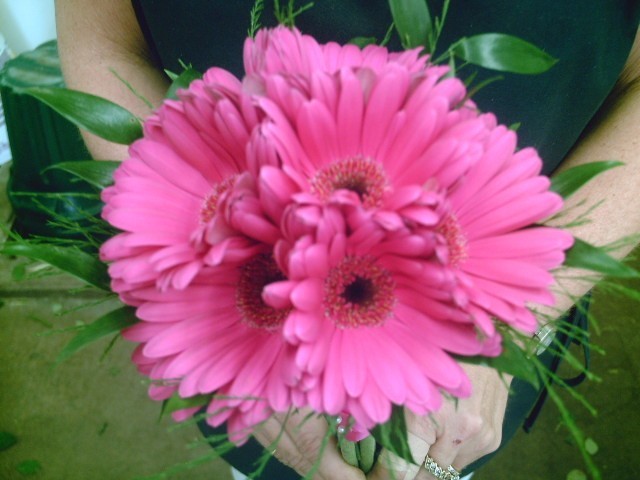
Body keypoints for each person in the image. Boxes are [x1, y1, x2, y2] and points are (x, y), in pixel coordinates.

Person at [54, 1, 640, 479]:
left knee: (444, 455)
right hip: (246, 348)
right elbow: (102, 35)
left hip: (485, 327)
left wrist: (510, 325)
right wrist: (226, 326)